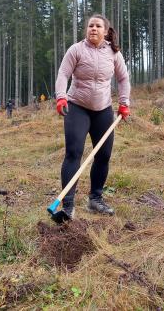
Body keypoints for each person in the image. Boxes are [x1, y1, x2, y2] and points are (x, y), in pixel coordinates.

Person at [55, 13, 130, 220]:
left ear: (105, 31)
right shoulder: (76, 50)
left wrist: (124, 102)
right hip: (77, 107)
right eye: (90, 26)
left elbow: (123, 78)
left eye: (98, 26)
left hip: (103, 110)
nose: (93, 29)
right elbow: (63, 74)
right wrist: (61, 97)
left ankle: (95, 199)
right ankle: (68, 205)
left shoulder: (113, 53)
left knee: (104, 155)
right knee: (73, 152)